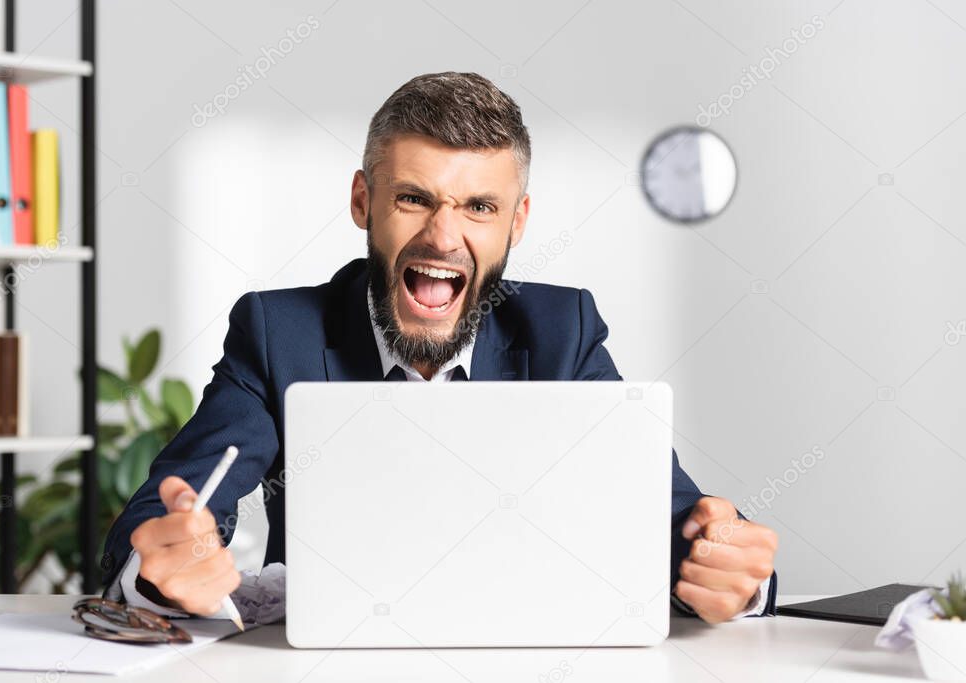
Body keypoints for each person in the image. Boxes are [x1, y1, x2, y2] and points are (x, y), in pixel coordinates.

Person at [102, 72, 778, 625]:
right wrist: (164, 567)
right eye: (414, 198)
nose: (442, 236)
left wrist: (727, 570)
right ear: (363, 201)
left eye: (480, 207)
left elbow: (672, 514)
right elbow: (172, 509)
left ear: (518, 220)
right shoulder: (282, 332)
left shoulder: (561, 332)